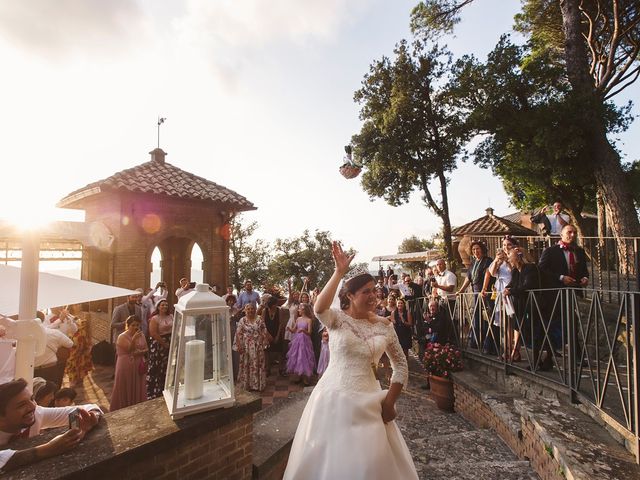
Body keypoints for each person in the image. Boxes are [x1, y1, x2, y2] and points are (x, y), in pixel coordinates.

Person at [283, 241, 418, 480]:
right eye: (366, 291)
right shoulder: (336, 320)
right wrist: (338, 273)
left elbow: (401, 366)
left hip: (370, 402)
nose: (373, 295)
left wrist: (389, 402)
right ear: (350, 296)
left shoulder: (385, 326)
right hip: (333, 399)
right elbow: (318, 307)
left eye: (374, 290)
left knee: (370, 463)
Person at [0, 378, 101, 472]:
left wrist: (78, 427)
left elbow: (86, 408)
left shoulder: (37, 414)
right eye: (22, 405)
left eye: (32, 399)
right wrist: (49, 448)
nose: (33, 406)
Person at [538, 224, 589, 362]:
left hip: (572, 292)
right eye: (569, 232)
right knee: (552, 325)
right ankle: (548, 356)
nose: (572, 235)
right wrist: (560, 277)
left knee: (573, 323)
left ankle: (576, 356)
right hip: (554, 294)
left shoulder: (579, 251)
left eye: (574, 232)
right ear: (561, 234)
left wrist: (585, 278)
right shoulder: (550, 251)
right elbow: (541, 270)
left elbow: (584, 270)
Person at [504, 248, 547, 370]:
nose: (508, 259)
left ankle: (538, 361)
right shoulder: (515, 272)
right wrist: (507, 289)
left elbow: (528, 286)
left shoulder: (529, 269)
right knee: (527, 332)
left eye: (510, 256)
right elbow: (512, 284)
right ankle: (538, 360)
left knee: (536, 333)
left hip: (533, 306)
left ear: (517, 258)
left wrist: (511, 291)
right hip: (521, 306)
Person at [483, 236, 518, 361]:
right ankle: (507, 350)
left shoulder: (516, 256)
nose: (506, 248)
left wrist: (508, 261)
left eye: (508, 245)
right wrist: (497, 261)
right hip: (501, 292)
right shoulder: (500, 259)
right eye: (504, 245)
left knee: (514, 323)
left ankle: (514, 350)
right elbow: (491, 273)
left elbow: (514, 270)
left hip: (512, 291)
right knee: (505, 323)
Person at [457, 241, 494, 351]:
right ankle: (477, 343)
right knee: (477, 319)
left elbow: (488, 275)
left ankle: (489, 346)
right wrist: (461, 290)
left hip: (486, 293)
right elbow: (468, 278)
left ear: (482, 249)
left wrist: (484, 289)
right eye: (473, 250)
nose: (476, 251)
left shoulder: (488, 261)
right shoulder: (473, 263)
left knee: (487, 318)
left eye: (477, 249)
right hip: (475, 293)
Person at [110, 315, 148, 411]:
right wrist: (134, 339)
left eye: (137, 325)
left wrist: (140, 352)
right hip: (125, 365)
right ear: (128, 325)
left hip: (138, 364)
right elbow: (130, 349)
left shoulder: (141, 334)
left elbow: (146, 348)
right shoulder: (121, 336)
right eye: (133, 325)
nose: (135, 327)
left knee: (137, 385)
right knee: (125, 385)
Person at [233, 304, 268, 392]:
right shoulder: (242, 320)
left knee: (258, 364)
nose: (250, 310)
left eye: (252, 309)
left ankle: (257, 385)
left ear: (255, 309)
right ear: (245, 310)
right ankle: (247, 384)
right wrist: (239, 345)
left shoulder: (259, 319)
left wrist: (264, 342)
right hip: (246, 346)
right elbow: (238, 333)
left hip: (258, 346)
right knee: (247, 364)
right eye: (248, 309)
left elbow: (264, 331)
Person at [146, 299, 173, 399]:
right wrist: (164, 344)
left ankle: (167, 386)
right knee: (158, 366)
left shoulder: (171, 316)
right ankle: (156, 389)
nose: (164, 307)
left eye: (166, 305)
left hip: (170, 341)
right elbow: (153, 333)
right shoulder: (155, 318)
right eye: (162, 305)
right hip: (159, 343)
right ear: (158, 307)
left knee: (168, 365)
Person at [286, 303, 316, 385]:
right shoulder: (298, 319)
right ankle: (299, 375)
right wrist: (289, 329)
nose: (298, 310)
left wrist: (303, 330)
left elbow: (309, 332)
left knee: (304, 357)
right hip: (297, 340)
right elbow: (294, 330)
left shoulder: (309, 320)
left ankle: (305, 377)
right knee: (297, 357)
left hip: (305, 341)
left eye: (299, 309)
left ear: (304, 310)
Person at [64, 317, 93, 388]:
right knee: (73, 365)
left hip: (80, 351)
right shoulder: (71, 329)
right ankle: (74, 380)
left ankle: (78, 379)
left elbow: (86, 340)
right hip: (74, 351)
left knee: (80, 364)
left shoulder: (82, 330)